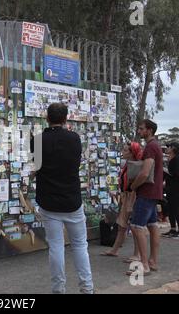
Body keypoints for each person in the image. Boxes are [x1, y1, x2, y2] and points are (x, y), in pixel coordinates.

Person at [34, 103, 94, 294]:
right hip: (72, 201)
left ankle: (58, 289)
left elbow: (37, 167)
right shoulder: (74, 139)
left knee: (56, 247)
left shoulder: (37, 140)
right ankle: (87, 287)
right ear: (66, 118)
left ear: (47, 117)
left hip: (49, 202)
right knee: (79, 246)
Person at [128, 120, 164, 276]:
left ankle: (144, 265)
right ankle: (153, 261)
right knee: (152, 225)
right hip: (154, 192)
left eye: (142, 129)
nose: (139, 131)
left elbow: (144, 172)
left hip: (147, 192)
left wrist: (133, 186)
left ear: (149, 130)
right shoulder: (155, 146)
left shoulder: (150, 147)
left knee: (137, 226)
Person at [101, 142, 142, 262]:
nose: (122, 153)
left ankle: (137, 254)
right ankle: (114, 250)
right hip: (126, 196)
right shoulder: (127, 165)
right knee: (122, 225)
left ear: (131, 153)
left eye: (125, 151)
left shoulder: (136, 165)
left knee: (134, 227)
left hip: (132, 196)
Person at [162, 142, 179, 238]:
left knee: (176, 210)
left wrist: (166, 171)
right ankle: (172, 229)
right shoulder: (170, 159)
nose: (167, 148)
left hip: (176, 189)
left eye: (169, 147)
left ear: (174, 149)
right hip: (170, 188)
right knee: (170, 209)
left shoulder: (176, 160)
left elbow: (178, 175)